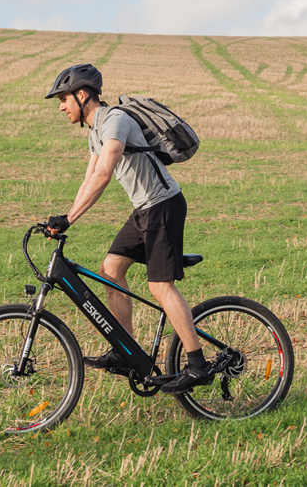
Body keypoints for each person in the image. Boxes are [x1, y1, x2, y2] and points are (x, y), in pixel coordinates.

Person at [43, 63, 211, 394]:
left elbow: (105, 172)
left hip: (163, 206)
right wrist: (64, 216)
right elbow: (89, 178)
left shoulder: (115, 121)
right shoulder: (95, 132)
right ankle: (127, 351)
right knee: (110, 270)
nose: (61, 107)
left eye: (63, 99)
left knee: (160, 286)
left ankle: (197, 365)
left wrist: (70, 219)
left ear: (82, 95)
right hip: (144, 211)